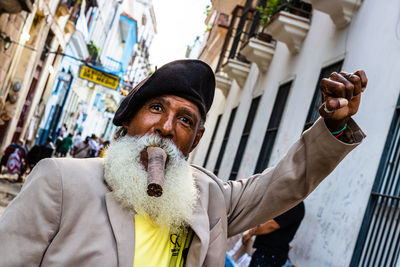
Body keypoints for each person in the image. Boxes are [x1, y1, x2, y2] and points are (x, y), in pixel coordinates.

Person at [0, 60, 367, 266]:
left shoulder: (207, 198)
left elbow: (287, 182)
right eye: (156, 108)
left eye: (185, 119)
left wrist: (333, 125)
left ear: (196, 139)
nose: (165, 127)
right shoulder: (61, 180)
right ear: (129, 119)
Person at [242, 202, 305, 267]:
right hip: (264, 252)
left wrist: (250, 233)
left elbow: (270, 226)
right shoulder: (287, 201)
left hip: (270, 256)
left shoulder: (295, 205)